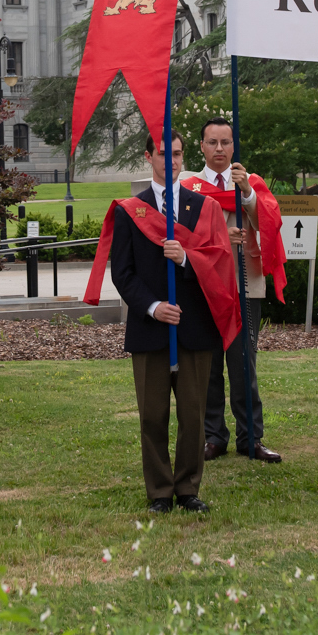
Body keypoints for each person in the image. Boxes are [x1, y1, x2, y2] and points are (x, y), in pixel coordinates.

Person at [92, 132, 240, 512]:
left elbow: (220, 259)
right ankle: (159, 492)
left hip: (194, 328)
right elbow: (122, 274)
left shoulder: (202, 207)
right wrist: (154, 306)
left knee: (193, 416)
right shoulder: (131, 210)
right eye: (163, 154)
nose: (171, 161)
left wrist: (187, 259)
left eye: (177, 153)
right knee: (153, 416)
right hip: (150, 328)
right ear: (148, 156)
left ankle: (188, 487)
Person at [182, 117, 285, 464]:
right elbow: (185, 237)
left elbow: (268, 224)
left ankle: (251, 437)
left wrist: (246, 194)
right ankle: (213, 436)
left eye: (226, 143)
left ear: (233, 147)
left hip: (244, 282)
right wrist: (222, 240)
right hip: (206, 286)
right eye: (212, 142)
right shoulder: (189, 187)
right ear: (202, 147)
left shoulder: (250, 183)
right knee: (208, 365)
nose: (220, 150)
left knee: (244, 363)